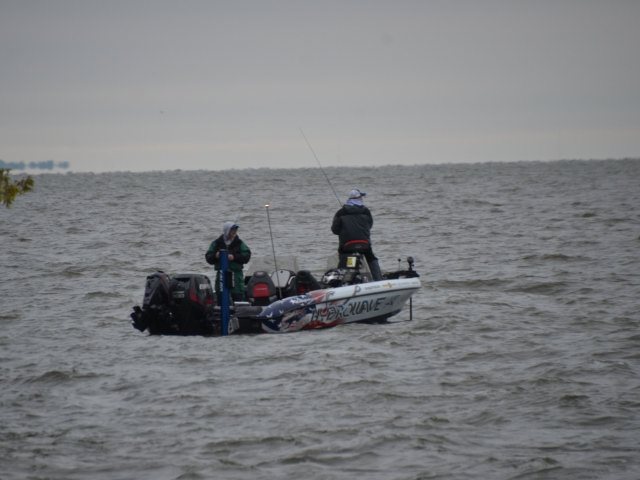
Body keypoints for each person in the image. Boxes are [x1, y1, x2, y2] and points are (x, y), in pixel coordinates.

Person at [331, 188, 382, 280]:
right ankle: (378, 279)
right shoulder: (366, 211)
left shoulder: (341, 212)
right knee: (371, 259)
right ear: (359, 198)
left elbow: (335, 230)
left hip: (347, 246)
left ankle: (343, 280)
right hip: (364, 245)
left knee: (345, 259)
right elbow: (369, 225)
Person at [205, 221, 251, 302]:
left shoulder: (239, 243)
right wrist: (216, 256)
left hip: (236, 275)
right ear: (227, 231)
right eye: (232, 230)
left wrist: (234, 257)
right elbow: (208, 257)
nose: (234, 232)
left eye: (235, 230)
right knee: (221, 297)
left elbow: (247, 256)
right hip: (221, 275)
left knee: (238, 298)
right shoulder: (217, 243)